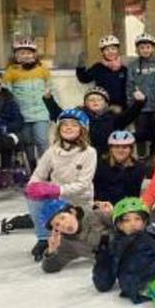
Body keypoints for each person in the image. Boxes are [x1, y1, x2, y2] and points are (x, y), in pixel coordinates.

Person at [24, 108, 98, 261]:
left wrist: (57, 190)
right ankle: (43, 238)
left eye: (74, 125)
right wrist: (33, 188)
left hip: (80, 202)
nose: (68, 127)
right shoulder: (52, 151)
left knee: (82, 239)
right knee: (31, 195)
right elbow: (38, 175)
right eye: (64, 125)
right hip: (58, 202)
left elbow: (83, 184)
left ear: (83, 129)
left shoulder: (89, 152)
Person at [92, 197, 155, 304]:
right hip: (147, 281)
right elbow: (103, 284)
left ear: (144, 222)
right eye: (127, 220)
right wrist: (103, 257)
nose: (133, 224)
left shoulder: (154, 233)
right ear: (119, 225)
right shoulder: (118, 245)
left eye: (137, 219)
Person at [3, 36, 51, 167]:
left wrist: (48, 96)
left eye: (28, 53)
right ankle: (32, 167)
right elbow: (7, 92)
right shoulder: (11, 71)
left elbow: (49, 86)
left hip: (41, 113)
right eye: (21, 53)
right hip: (22, 114)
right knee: (27, 142)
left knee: (42, 141)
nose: (25, 56)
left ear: (34, 54)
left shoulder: (42, 69)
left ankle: (46, 168)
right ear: (15, 55)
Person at [37, 198, 114, 274]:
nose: (63, 224)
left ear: (73, 212)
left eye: (63, 218)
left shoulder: (95, 216)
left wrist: (112, 214)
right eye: (57, 225)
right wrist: (51, 251)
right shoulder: (66, 243)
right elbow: (50, 267)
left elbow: (122, 224)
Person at [125, 33, 155, 157]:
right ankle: (141, 158)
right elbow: (130, 86)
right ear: (137, 49)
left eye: (148, 47)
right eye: (142, 47)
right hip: (140, 109)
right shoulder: (132, 66)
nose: (145, 50)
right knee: (140, 135)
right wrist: (133, 106)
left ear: (153, 48)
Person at [80, 86, 142, 152]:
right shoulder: (80, 117)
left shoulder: (113, 118)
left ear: (106, 104)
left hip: (108, 154)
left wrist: (139, 103)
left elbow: (129, 115)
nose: (95, 101)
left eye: (99, 99)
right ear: (85, 104)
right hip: (87, 153)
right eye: (91, 100)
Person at [92, 130, 146, 206]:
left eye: (125, 147)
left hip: (130, 208)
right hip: (104, 207)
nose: (120, 150)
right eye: (116, 147)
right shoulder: (100, 165)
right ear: (111, 149)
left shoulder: (139, 168)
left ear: (131, 149)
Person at [76, 34, 128, 111]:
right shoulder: (98, 67)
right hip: (103, 107)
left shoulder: (123, 69)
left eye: (113, 49)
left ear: (118, 50)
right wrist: (81, 64)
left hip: (121, 107)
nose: (110, 52)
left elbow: (129, 88)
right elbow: (84, 78)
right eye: (106, 50)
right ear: (102, 52)